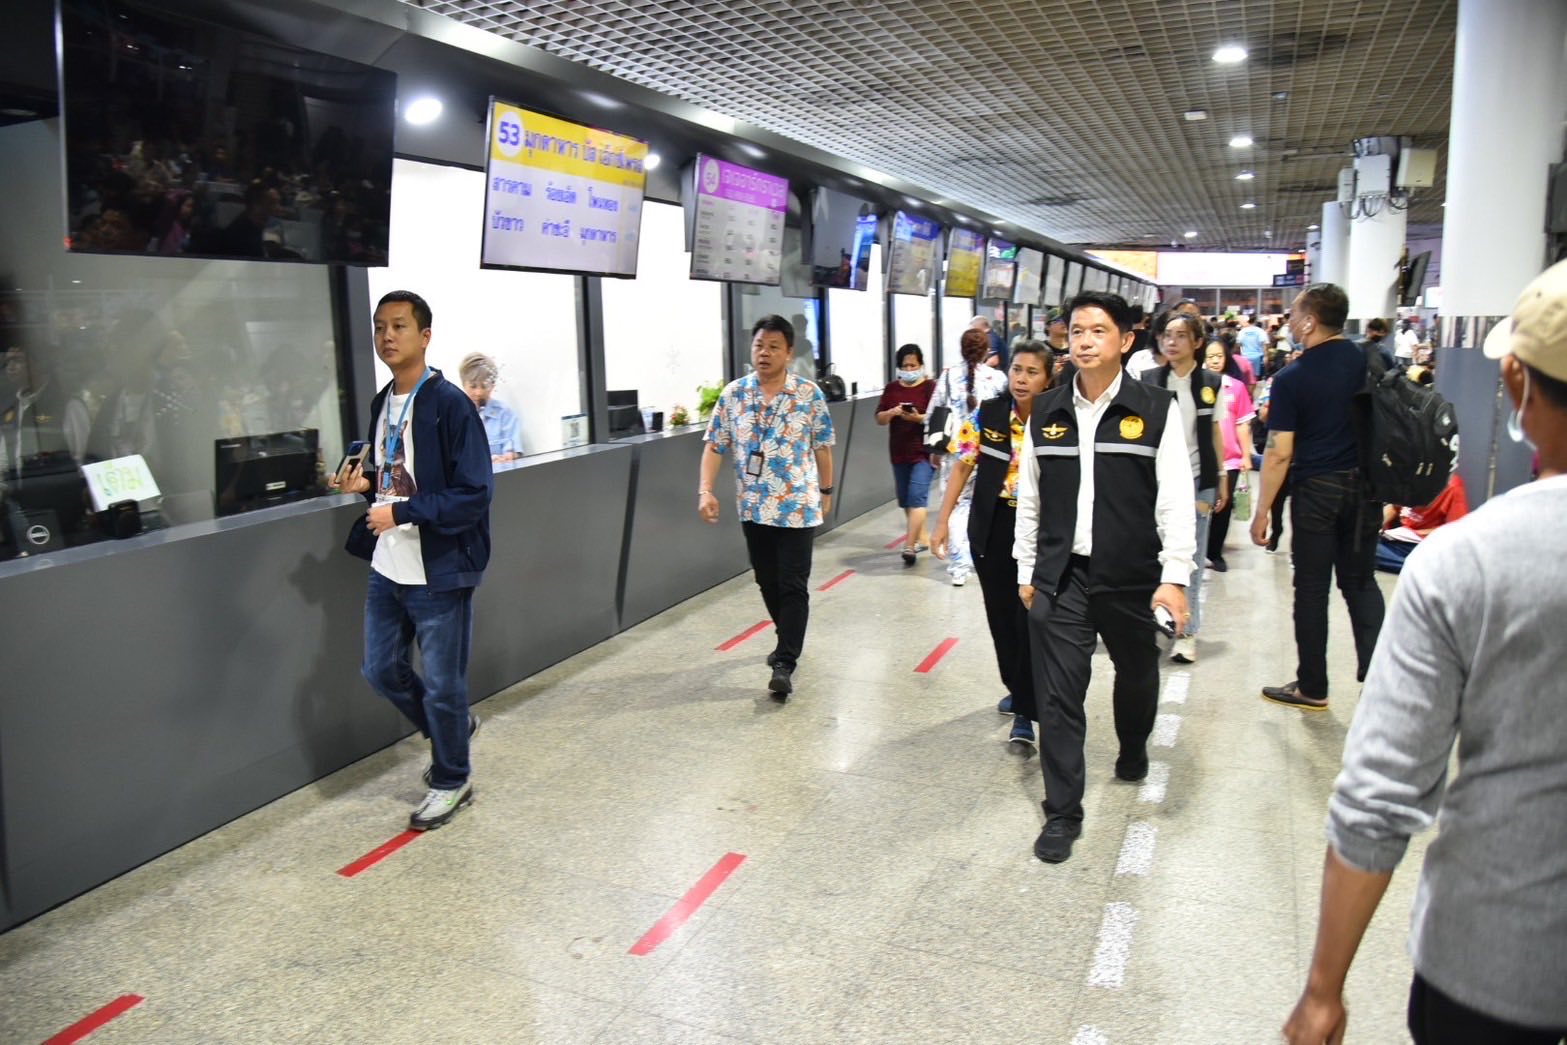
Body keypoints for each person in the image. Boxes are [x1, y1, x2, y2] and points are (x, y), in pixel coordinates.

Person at [1283, 259, 1567, 1045]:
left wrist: (1322, 990)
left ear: (1514, 380)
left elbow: (1380, 795)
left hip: (1499, 959)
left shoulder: (1469, 560)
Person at [1014, 291, 1195, 864]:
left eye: (1099, 330)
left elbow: (1175, 497)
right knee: (1058, 696)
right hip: (1062, 577)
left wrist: (1175, 575)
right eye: (1077, 331)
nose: (1085, 341)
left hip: (1133, 575)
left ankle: (1134, 746)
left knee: (1136, 674)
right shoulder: (1047, 409)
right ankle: (1062, 812)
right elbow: (1030, 496)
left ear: (1126, 339)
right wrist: (1026, 569)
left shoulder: (1156, 408)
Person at [333, 290, 494, 831]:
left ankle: (452, 779)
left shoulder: (451, 404)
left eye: (399, 326)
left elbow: (474, 494)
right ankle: (452, 728)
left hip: (439, 567)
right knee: (380, 669)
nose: (387, 336)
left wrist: (400, 511)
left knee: (444, 684)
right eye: (380, 327)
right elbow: (392, 480)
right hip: (389, 563)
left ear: (425, 336)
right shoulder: (382, 402)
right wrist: (365, 487)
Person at [1252, 284, 1385, 711]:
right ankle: (1382, 684)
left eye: (1295, 314)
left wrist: (1262, 511)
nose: (1289, 321)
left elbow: (1279, 452)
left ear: (1310, 322)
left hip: (1316, 491)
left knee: (1311, 589)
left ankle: (1312, 686)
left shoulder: (1292, 378)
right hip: (1366, 490)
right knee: (1360, 582)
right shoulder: (1372, 360)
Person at [699, 315, 835, 700]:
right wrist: (705, 490)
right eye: (759, 345)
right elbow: (714, 446)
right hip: (754, 507)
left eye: (774, 347)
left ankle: (785, 662)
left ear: (789, 353)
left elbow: (822, 447)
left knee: (793, 584)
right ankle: (786, 636)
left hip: (797, 506)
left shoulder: (808, 394)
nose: (764, 353)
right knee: (767, 580)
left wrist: (826, 490)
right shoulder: (734, 395)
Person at [931, 340, 1052, 746]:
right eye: (1017, 369)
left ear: (1047, 378)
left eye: (1032, 372)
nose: (1022, 378)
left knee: (1028, 618)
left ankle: (1026, 709)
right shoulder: (989, 413)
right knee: (1001, 618)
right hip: (994, 525)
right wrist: (942, 521)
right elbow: (962, 465)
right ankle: (1018, 689)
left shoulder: (1059, 418)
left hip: (1040, 530)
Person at [1143, 312, 1227, 663]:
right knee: (1152, 553)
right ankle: (1154, 621)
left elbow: (1215, 432)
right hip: (1155, 480)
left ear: (1197, 342)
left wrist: (1221, 478)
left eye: (1180, 335)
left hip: (1197, 478)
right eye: (1167, 335)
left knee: (1191, 555)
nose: (1171, 341)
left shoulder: (1211, 382)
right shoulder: (1149, 380)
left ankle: (1186, 633)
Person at [928, 328, 1007, 586]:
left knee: (953, 506)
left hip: (955, 454)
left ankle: (959, 566)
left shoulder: (948, 376)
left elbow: (933, 412)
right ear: (986, 351)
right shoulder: (997, 378)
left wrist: (934, 450)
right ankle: (976, 553)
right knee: (979, 505)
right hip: (989, 452)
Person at [875, 344, 935, 565]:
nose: (909, 369)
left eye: (913, 365)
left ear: (921, 365)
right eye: (905, 366)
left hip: (923, 452)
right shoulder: (891, 389)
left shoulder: (930, 387)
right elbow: (879, 418)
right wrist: (891, 413)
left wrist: (918, 418)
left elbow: (936, 416)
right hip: (899, 452)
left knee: (917, 496)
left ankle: (909, 546)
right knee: (905, 499)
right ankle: (922, 537)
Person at [1203, 340, 1255, 573]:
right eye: (1210, 356)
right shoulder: (1197, 384)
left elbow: (1242, 424)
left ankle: (1214, 552)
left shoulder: (1236, 387)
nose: (1215, 360)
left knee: (1223, 507)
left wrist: (1246, 455)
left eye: (1219, 356)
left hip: (1229, 459)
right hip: (1202, 457)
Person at [1375, 463, 1467, 574]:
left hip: (1421, 543)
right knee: (1367, 545)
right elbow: (1394, 507)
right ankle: (1414, 567)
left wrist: (1416, 533)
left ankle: (1416, 568)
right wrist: (1376, 524)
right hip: (1397, 538)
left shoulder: (1452, 486)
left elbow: (1455, 530)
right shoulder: (1411, 475)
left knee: (1371, 552)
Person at [458, 352, 522, 463]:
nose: (478, 392)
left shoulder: (504, 414)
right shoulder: (455, 416)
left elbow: (512, 451)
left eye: (484, 386)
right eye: (473, 386)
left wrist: (506, 457)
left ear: (492, 386)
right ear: (463, 384)